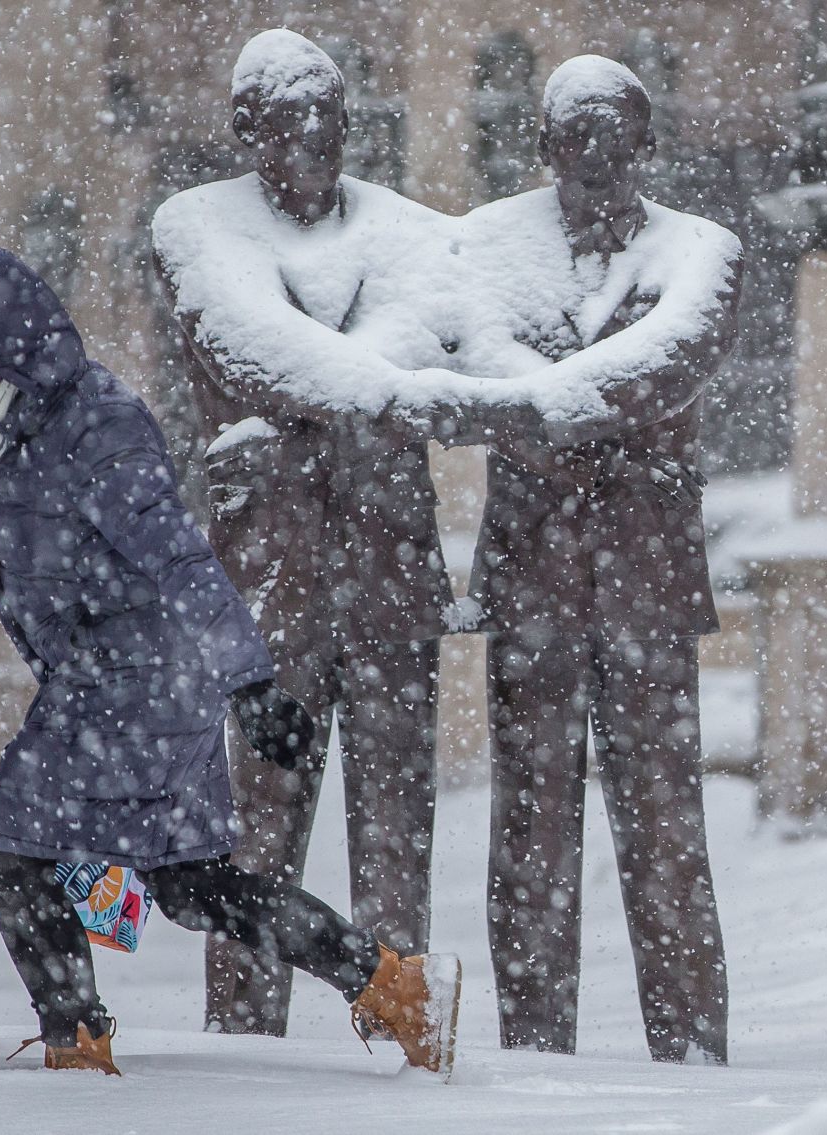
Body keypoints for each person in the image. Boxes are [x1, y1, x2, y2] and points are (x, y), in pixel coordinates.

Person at [0, 247, 459, 1076]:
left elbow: (183, 561)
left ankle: (77, 1049)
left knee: (8, 849)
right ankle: (397, 986)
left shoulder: (96, 431)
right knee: (193, 886)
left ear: (9, 356)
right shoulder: (26, 431)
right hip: (133, 685)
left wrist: (255, 684)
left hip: (132, 690)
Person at [151, 28, 491, 1038]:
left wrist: (326, 401)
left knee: (398, 831)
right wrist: (382, 391)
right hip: (264, 593)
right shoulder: (196, 226)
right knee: (251, 841)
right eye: (291, 116)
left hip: (391, 575)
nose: (314, 135)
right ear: (247, 128)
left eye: (328, 115)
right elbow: (254, 356)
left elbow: (425, 337)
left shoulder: (411, 233)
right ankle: (246, 1039)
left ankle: (401, 1021)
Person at [454, 56, 744, 1064]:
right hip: (530, 581)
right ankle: (533, 1050)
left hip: (649, 587)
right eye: (575, 134)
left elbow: (671, 362)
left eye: (615, 135)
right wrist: (561, 408)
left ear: (648, 144)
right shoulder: (482, 246)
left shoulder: (702, 251)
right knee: (528, 834)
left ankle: (693, 1046)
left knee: (666, 834)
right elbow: (475, 360)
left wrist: (546, 407)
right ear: (544, 145)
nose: (595, 154)